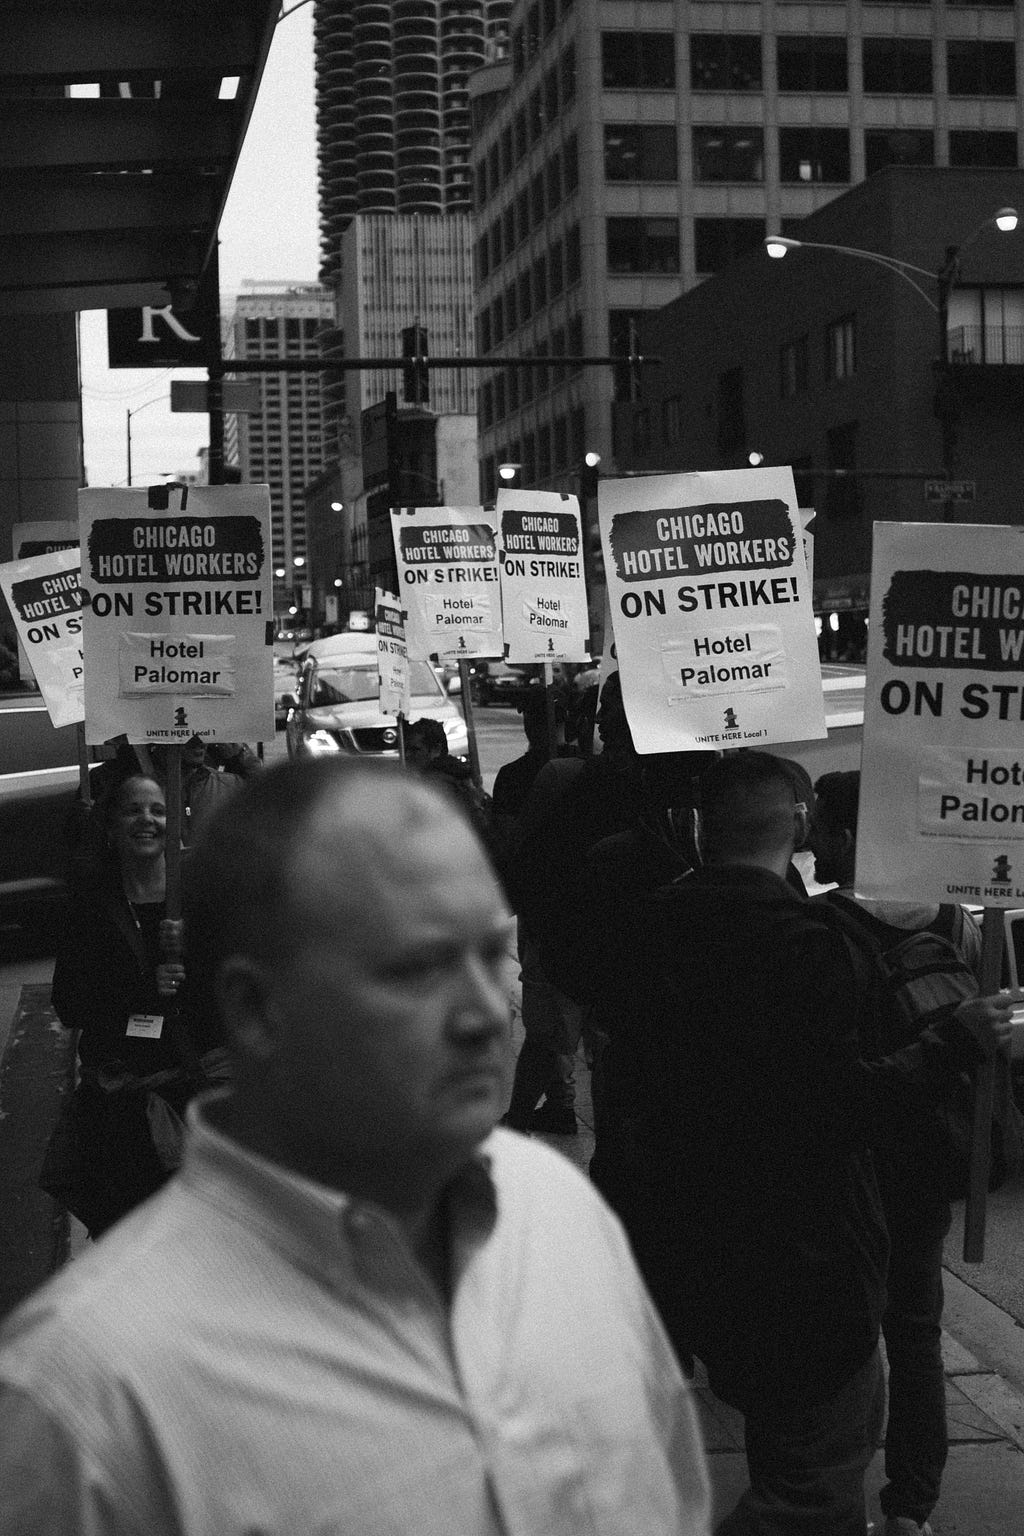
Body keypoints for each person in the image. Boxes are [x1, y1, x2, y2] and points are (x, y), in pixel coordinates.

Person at [0, 757, 712, 1536]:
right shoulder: (87, 1398)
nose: (482, 1012)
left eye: (491, 954)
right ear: (257, 1008)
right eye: (416, 966)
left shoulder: (560, 1208)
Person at [604, 752, 1013, 1536]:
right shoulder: (807, 945)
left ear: (697, 828)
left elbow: (626, 1089)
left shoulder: (644, 929)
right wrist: (952, 1043)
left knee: (788, 1446)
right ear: (797, 824)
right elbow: (838, 1109)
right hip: (802, 1258)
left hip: (689, 1238)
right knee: (814, 1483)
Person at [810, 769, 984, 1536]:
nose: (810, 836)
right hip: (932, 1147)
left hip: (852, 1148)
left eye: (819, 822)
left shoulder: (819, 930)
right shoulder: (956, 918)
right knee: (916, 1331)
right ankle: (912, 1506)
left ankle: (832, 1487)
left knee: (840, 1330)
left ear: (852, 837)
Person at [47, 773, 227, 1237]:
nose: (147, 819)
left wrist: (193, 950)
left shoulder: (202, 900)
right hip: (124, 1115)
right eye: (134, 809)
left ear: (176, 823)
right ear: (111, 825)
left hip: (197, 1099)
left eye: (158, 810)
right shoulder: (90, 906)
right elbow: (69, 1004)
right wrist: (142, 988)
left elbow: (234, 997)